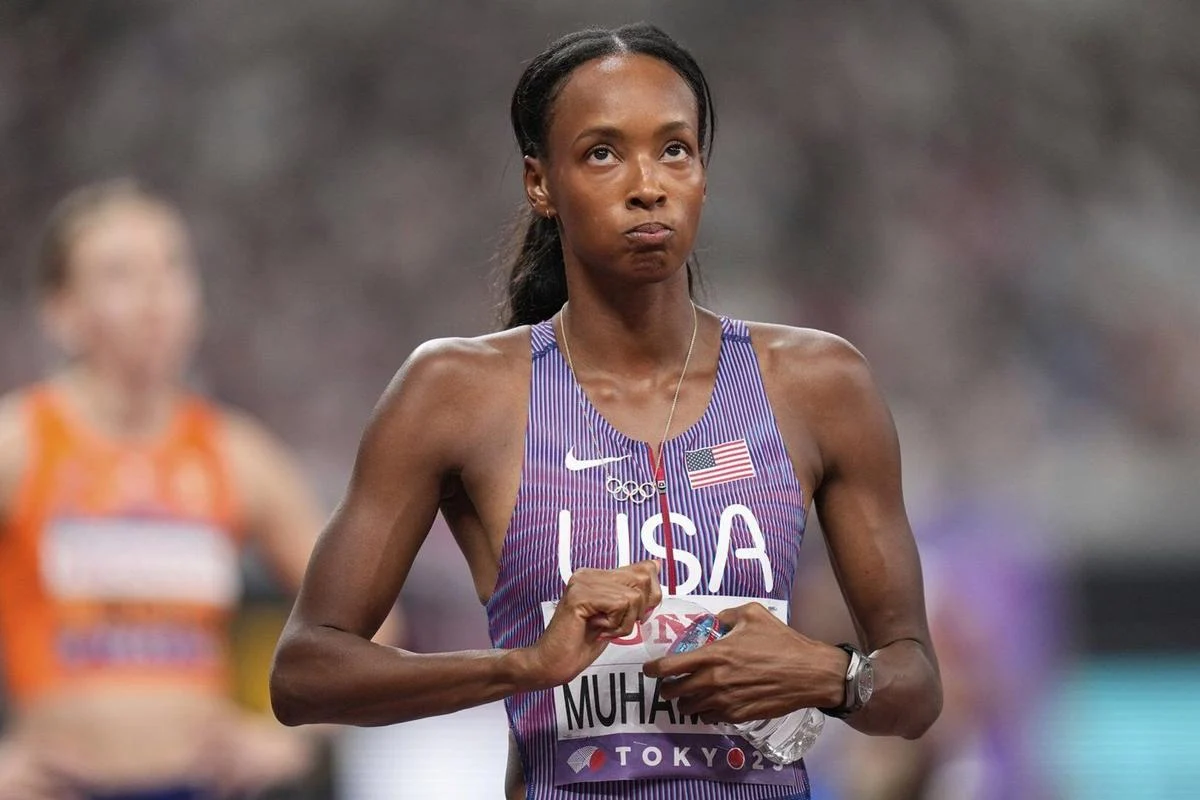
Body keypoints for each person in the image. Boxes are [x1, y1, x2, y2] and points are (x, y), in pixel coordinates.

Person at [270, 23, 942, 800]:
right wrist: (523, 666)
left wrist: (830, 674)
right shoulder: (456, 392)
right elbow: (305, 673)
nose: (647, 184)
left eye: (675, 150)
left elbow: (916, 686)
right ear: (539, 184)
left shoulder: (820, 383)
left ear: (703, 173)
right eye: (602, 153)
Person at [0, 180, 323, 800]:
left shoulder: (237, 455)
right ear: (61, 312)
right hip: (57, 785)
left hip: (198, 785)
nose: (154, 296)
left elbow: (371, 618)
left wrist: (294, 738)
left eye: (171, 268)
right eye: (120, 273)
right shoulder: (19, 446)